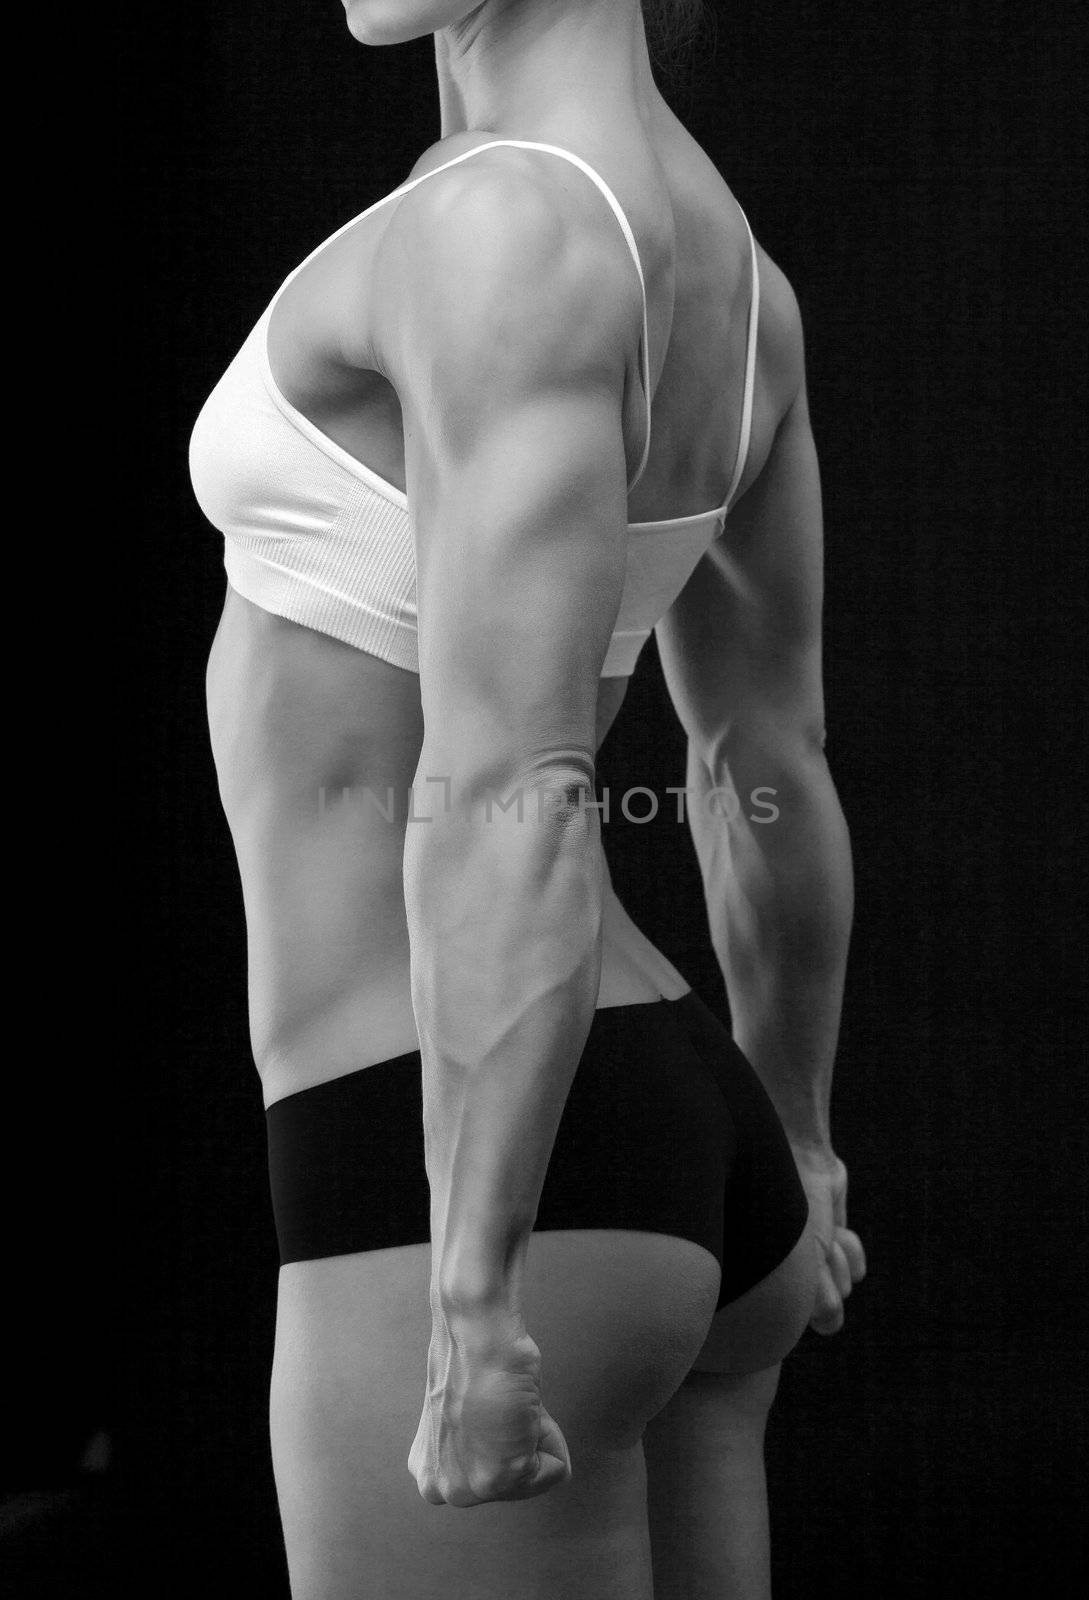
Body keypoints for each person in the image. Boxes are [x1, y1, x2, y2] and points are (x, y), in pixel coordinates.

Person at [189, 0, 866, 1594]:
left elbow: (516, 785)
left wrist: (473, 1297)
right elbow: (762, 760)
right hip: (658, 1130)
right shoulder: (734, 279)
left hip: (487, 1166)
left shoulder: (508, 224)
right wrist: (799, 1138)